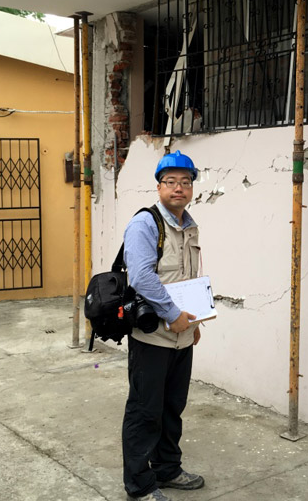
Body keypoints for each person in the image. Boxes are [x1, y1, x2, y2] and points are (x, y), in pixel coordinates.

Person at [122, 150, 205, 501]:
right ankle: (140, 485)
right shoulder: (145, 224)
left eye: (185, 182)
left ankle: (168, 468)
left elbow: (187, 278)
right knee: (146, 411)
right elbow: (142, 278)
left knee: (173, 407)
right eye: (170, 182)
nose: (179, 188)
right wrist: (173, 316)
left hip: (181, 337)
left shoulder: (189, 225)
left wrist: (194, 322)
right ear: (158, 187)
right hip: (152, 336)